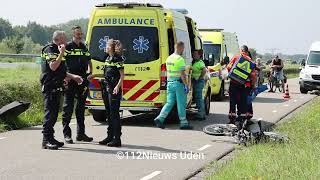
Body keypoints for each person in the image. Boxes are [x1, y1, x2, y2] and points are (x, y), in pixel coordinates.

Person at [40, 31, 83, 150]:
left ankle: (51, 138)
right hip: (50, 87)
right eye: (64, 39)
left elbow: (61, 71)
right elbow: (53, 66)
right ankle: (46, 140)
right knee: (49, 114)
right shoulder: (50, 50)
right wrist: (62, 52)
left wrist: (73, 77)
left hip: (57, 87)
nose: (66, 42)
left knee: (54, 115)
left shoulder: (58, 50)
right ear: (58, 39)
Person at [62, 26, 93, 144]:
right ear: (73, 34)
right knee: (68, 109)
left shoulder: (84, 47)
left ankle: (80, 134)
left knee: (80, 109)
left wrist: (90, 74)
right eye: (77, 34)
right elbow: (62, 64)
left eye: (81, 33)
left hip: (82, 81)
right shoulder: (68, 47)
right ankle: (67, 135)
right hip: (71, 81)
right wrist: (67, 77)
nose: (80, 35)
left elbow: (90, 61)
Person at [154, 41, 193, 130]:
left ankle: (160, 118)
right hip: (178, 84)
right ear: (180, 48)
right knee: (181, 103)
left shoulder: (169, 58)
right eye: (183, 48)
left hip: (170, 83)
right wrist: (186, 85)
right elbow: (182, 74)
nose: (183, 50)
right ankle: (184, 123)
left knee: (169, 102)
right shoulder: (180, 59)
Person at [97, 39, 125, 147]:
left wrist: (118, 86)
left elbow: (122, 75)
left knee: (114, 114)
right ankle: (110, 136)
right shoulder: (107, 58)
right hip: (107, 88)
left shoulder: (117, 58)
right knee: (109, 113)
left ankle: (117, 139)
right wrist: (94, 76)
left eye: (107, 45)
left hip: (114, 89)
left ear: (111, 47)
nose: (106, 47)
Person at [227, 45, 256, 126]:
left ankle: (232, 119)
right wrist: (253, 86)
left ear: (241, 50)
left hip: (234, 83)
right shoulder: (251, 61)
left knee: (232, 101)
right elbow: (253, 75)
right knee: (243, 102)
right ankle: (243, 120)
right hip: (245, 85)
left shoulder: (236, 57)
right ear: (247, 52)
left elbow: (228, 67)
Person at [191, 49, 207, 120]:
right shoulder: (195, 62)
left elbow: (204, 70)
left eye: (195, 54)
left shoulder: (200, 62)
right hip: (196, 81)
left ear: (199, 55)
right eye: (193, 54)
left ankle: (200, 115)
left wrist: (200, 77)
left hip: (198, 82)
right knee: (198, 98)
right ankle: (202, 114)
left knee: (199, 98)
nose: (194, 55)